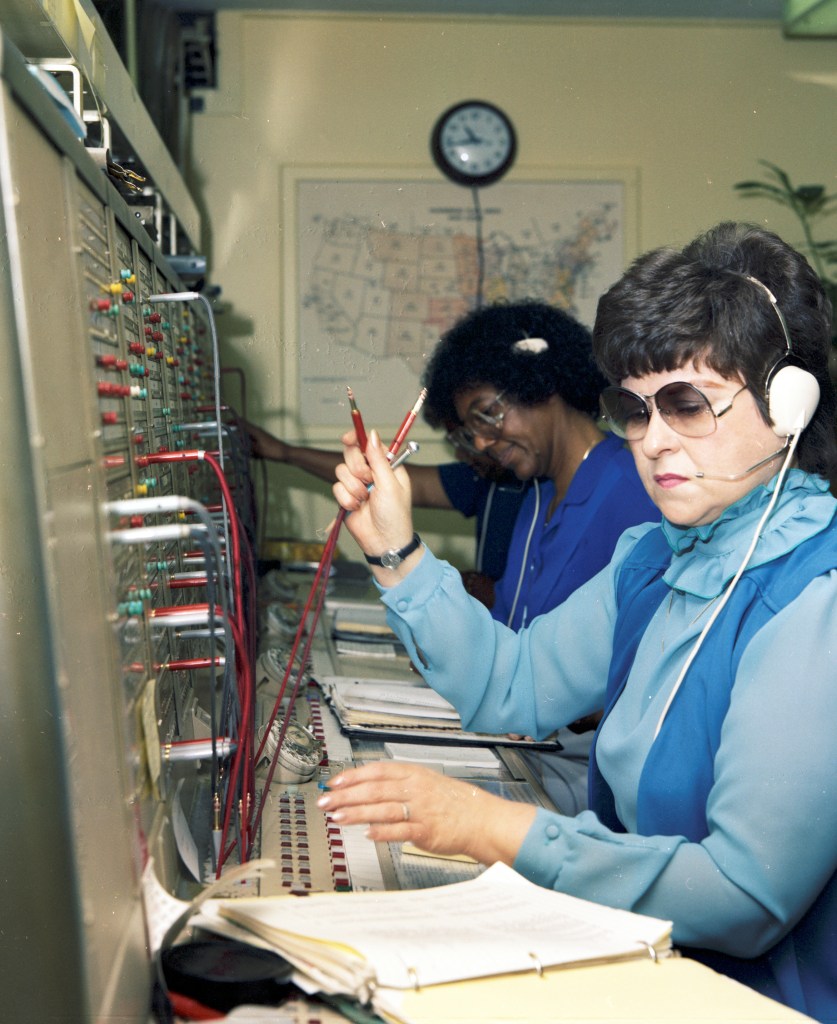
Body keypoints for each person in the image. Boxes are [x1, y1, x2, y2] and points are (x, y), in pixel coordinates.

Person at [321, 222, 837, 1021]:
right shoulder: (651, 556)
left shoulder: (818, 594)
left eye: (686, 404)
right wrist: (396, 551)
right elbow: (511, 688)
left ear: (788, 403)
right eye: (632, 409)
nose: (652, 442)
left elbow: (741, 896)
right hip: (644, 958)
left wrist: (492, 828)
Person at [419, 299, 658, 812]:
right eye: (469, 430)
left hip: (590, 776)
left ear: (541, 383)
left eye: (487, 413)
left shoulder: (635, 489)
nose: (481, 441)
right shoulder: (535, 495)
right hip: (526, 750)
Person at [242, 418, 529, 606]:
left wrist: (501, 595)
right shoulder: (485, 479)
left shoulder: (534, 486)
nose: (464, 454)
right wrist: (284, 453)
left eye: (466, 439)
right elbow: (377, 480)